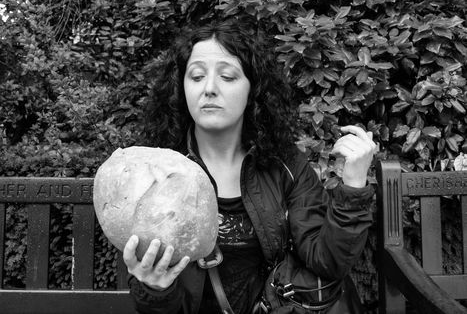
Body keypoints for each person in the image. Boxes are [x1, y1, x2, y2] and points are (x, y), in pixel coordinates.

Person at [123, 19, 376, 314]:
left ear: (252, 89)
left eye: (227, 77)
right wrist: (155, 289)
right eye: (196, 76)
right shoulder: (156, 173)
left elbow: (329, 261)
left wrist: (354, 185)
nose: (209, 89)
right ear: (181, 88)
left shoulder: (285, 165)